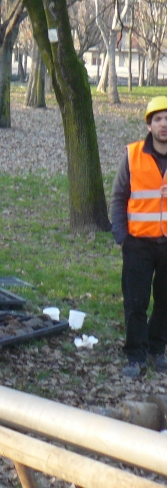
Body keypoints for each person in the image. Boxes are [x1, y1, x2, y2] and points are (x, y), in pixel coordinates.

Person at [109, 96, 167, 379]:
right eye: (158, 119)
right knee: (135, 302)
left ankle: (158, 350)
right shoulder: (133, 155)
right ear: (149, 124)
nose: (164, 124)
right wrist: (123, 237)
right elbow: (119, 197)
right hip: (138, 244)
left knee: (165, 302)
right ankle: (135, 355)